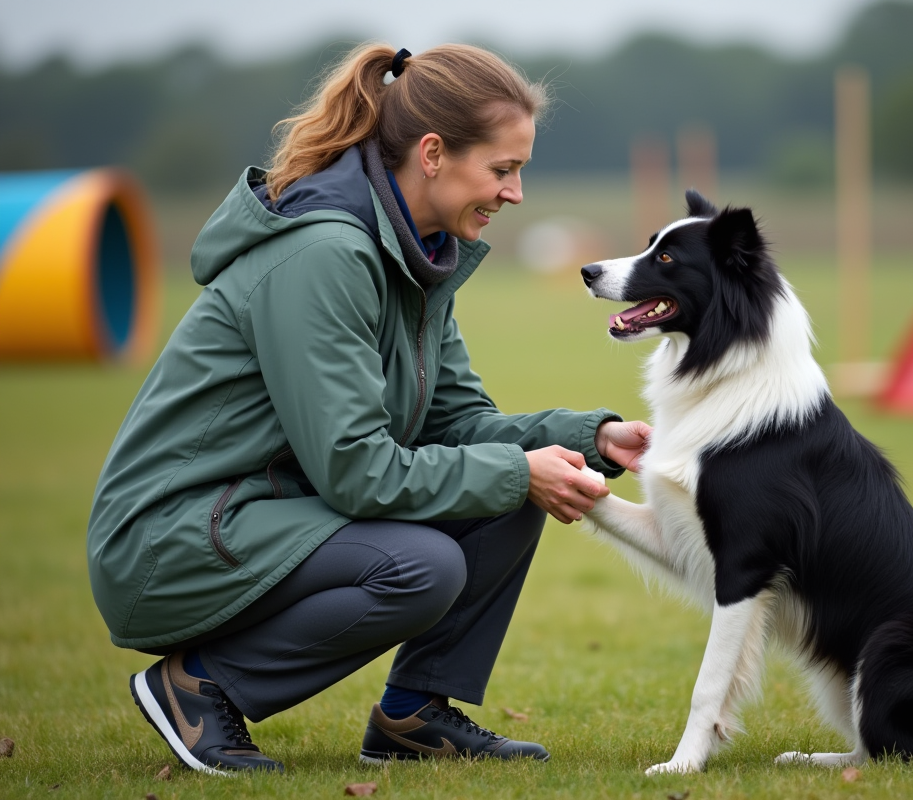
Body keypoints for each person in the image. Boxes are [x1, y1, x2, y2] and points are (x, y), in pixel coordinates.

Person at [85, 43, 651, 775]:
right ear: (434, 153)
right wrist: (518, 471)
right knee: (424, 563)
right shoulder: (324, 256)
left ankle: (415, 716)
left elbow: (458, 427)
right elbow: (357, 472)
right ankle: (199, 687)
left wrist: (592, 438)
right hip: (169, 543)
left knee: (511, 486)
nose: (515, 194)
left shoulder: (415, 259)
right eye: (503, 170)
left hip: (262, 518)